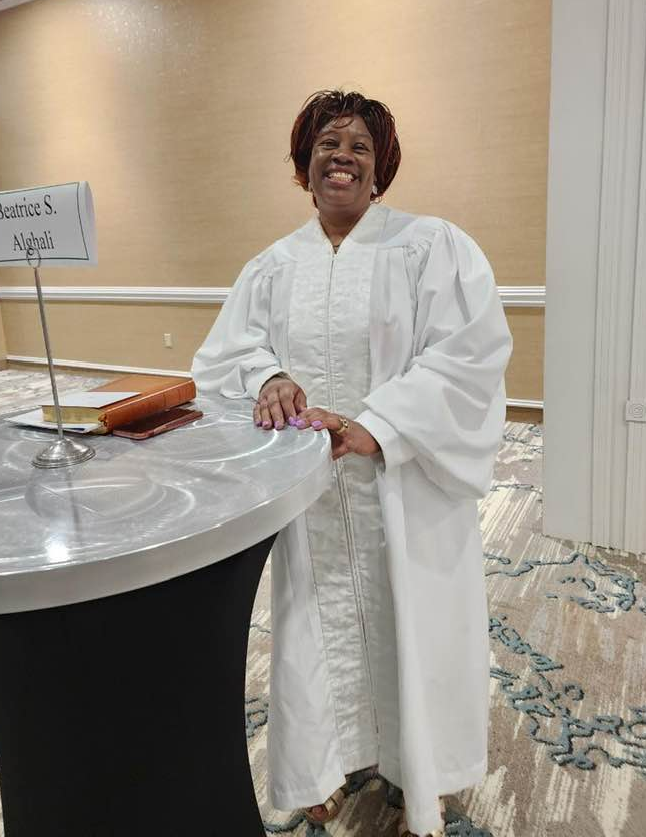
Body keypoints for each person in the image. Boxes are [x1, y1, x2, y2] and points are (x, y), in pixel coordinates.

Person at [191, 90, 512, 837]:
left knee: (416, 620)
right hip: (313, 491)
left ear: (381, 169)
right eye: (327, 142)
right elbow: (226, 356)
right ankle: (324, 765)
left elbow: (469, 356)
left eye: (361, 146)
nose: (343, 154)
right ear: (304, 164)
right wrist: (266, 377)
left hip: (405, 482)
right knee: (315, 622)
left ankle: (420, 771)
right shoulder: (271, 267)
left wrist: (377, 424)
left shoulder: (433, 248)